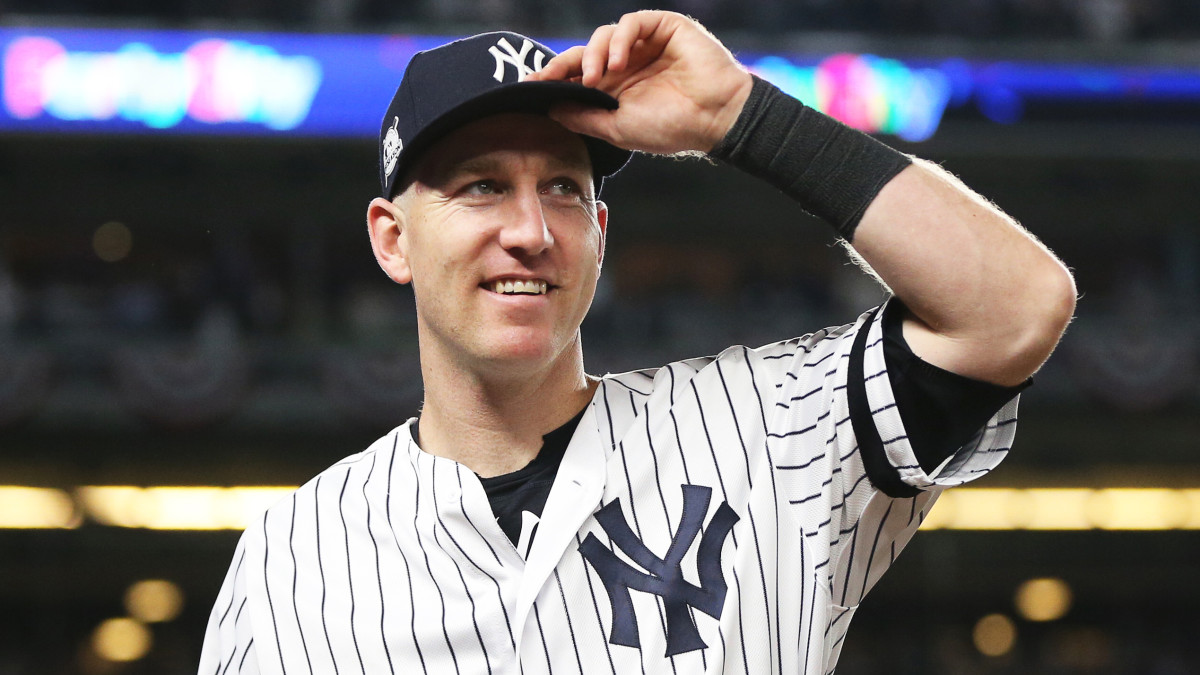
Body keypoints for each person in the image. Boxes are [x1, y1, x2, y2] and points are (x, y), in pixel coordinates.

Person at [199, 10, 1075, 674]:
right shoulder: (293, 557)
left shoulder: (768, 431)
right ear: (393, 239)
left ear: (601, 232)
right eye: (481, 187)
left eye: (563, 189)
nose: (530, 231)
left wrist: (744, 117)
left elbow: (1017, 307)